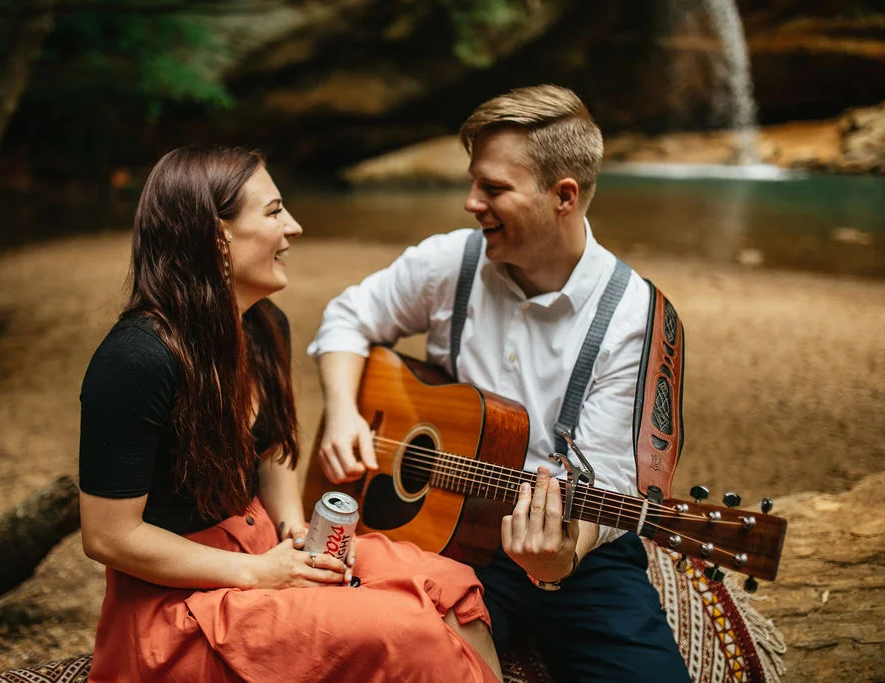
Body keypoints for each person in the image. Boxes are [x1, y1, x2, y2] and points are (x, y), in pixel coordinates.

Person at [308, 85, 691, 682]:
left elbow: (618, 481)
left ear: (564, 196)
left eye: (493, 188)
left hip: (578, 551)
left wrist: (563, 553)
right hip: (439, 539)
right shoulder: (450, 264)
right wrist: (341, 413)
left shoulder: (636, 317)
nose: (469, 203)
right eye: (472, 182)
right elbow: (348, 317)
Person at [78, 145, 502, 682]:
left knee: (453, 586)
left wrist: (299, 533)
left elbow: (272, 450)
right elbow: (109, 537)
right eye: (275, 211)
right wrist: (259, 572)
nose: (295, 227)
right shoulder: (136, 358)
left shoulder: (263, 323)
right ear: (218, 236)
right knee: (409, 632)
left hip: (263, 552)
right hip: (179, 606)